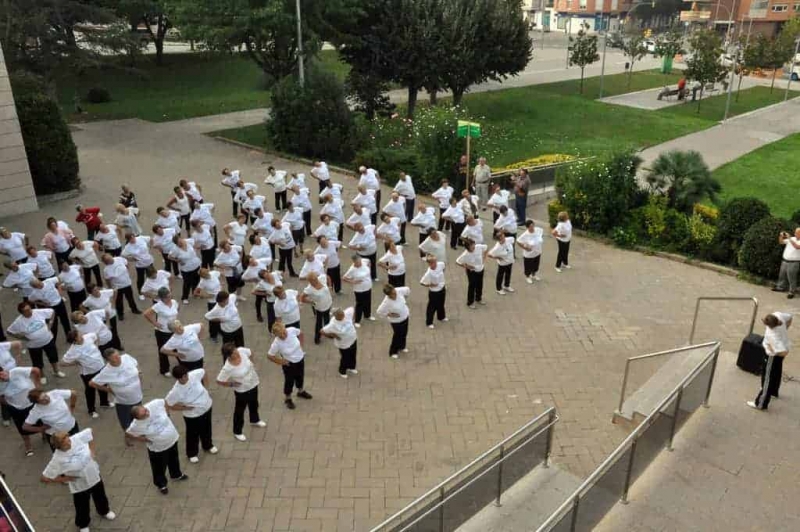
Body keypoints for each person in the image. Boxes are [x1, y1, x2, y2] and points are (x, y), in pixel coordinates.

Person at [41, 428, 117, 532]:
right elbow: (45, 478)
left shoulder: (75, 439)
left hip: (94, 476)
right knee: (82, 505)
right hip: (79, 485)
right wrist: (65, 478)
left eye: (69, 440)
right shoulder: (57, 459)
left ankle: (104, 511)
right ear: (59, 447)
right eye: (66, 443)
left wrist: (92, 450)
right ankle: (83, 524)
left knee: (100, 496)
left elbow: (90, 432)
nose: (70, 443)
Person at [125, 399, 189, 494]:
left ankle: (176, 474)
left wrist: (167, 413)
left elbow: (165, 401)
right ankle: (161, 484)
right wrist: (143, 439)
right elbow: (128, 434)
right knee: (159, 467)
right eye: (143, 415)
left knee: (174, 459)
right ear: (137, 418)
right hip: (158, 448)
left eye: (145, 410)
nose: (147, 414)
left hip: (172, 440)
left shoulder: (154, 404)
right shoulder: (136, 425)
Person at [165, 366, 217, 463]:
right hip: (193, 415)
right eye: (183, 377)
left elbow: (204, 372)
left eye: (186, 375)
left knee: (207, 427)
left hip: (207, 407)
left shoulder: (193, 375)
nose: (186, 378)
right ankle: (192, 453)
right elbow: (169, 404)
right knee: (193, 434)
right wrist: (185, 408)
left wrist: (206, 387)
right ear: (178, 378)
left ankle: (208, 445)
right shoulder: (176, 391)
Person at [216, 343, 266, 441]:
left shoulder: (241, 351)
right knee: (240, 410)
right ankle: (237, 431)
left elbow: (250, 352)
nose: (237, 353)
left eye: (236, 350)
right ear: (229, 356)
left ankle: (254, 419)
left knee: (254, 402)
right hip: (242, 390)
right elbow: (219, 380)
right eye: (234, 353)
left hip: (253, 383)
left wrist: (252, 362)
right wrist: (231, 384)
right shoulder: (228, 368)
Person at [89, 349, 143, 438]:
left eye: (118, 355)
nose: (119, 358)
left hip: (137, 397)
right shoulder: (106, 372)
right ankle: (129, 438)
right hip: (124, 403)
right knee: (126, 423)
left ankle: (139, 432)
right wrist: (108, 390)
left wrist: (139, 373)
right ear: (108, 360)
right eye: (115, 358)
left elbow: (136, 364)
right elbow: (92, 383)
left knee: (139, 417)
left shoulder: (126, 357)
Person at [7, 302, 64, 383]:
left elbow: (52, 311)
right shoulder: (19, 321)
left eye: (29, 308)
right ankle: (42, 375)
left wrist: (50, 324)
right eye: (26, 310)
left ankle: (56, 371)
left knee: (53, 357)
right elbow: (9, 331)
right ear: (22, 313)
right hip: (34, 345)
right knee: (37, 362)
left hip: (48, 340)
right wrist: (21, 337)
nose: (30, 311)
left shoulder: (37, 312)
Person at [748, 312, 793, 411]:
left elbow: (784, 352)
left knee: (767, 377)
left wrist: (773, 351)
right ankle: (773, 392)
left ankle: (760, 403)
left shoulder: (773, 335)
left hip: (771, 356)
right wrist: (786, 330)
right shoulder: (779, 315)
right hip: (781, 349)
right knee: (776, 373)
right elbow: (790, 317)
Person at [62, 331, 110, 419]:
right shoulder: (73, 350)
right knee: (90, 391)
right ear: (75, 340)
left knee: (103, 385)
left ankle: (104, 402)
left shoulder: (88, 337)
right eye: (79, 335)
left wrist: (97, 346)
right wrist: (76, 362)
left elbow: (96, 336)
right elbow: (63, 362)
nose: (81, 335)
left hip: (100, 367)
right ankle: (91, 410)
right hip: (88, 373)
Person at [267, 323, 313, 410]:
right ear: (276, 335)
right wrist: (281, 362)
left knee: (300, 376)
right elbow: (270, 355)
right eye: (281, 335)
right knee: (289, 381)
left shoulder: (291, 330)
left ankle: (300, 391)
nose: (284, 336)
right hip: (289, 364)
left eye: (284, 332)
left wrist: (301, 345)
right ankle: (288, 398)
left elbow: (300, 333)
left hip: (300, 358)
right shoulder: (276, 343)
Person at [0, 365, 41, 456]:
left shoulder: (16, 371)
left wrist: (37, 387)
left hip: (33, 403)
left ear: (4, 370)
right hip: (16, 409)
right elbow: (1, 398)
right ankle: (28, 445)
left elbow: (36, 370)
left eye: (1, 374)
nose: (1, 378)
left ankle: (45, 435)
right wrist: (10, 404)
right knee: (22, 427)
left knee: (41, 421)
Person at [143, 287, 181, 377]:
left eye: (169, 295)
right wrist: (155, 323)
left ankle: (182, 362)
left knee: (177, 346)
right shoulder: (158, 306)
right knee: (163, 350)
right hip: (163, 332)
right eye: (167, 297)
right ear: (162, 298)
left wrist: (175, 320)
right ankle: (164, 369)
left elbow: (177, 309)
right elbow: (146, 314)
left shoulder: (174, 302)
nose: (169, 298)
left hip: (174, 329)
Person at [320, 307, 358, 377]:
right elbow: (322, 331)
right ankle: (342, 371)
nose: (343, 317)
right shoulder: (332, 325)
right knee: (345, 357)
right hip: (344, 344)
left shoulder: (346, 314)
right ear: (336, 316)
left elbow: (353, 308)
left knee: (353, 354)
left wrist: (353, 320)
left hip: (353, 339)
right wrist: (332, 335)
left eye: (343, 314)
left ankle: (351, 367)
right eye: (341, 316)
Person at [82, 284, 121, 350]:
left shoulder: (104, 292)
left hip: (111, 315)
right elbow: (81, 306)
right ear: (91, 293)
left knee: (114, 331)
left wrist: (113, 303)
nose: (97, 291)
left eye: (97, 289)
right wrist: (89, 313)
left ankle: (117, 346)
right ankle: (109, 348)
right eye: (94, 290)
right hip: (101, 319)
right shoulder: (89, 300)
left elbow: (115, 291)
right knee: (105, 333)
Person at [376, 284, 411, 359]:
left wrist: (406, 297)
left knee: (404, 333)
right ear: (388, 295)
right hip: (396, 322)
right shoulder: (386, 302)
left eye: (394, 291)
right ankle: (393, 351)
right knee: (397, 336)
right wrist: (389, 314)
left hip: (405, 316)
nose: (395, 294)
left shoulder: (399, 291)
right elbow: (379, 311)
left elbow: (407, 289)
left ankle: (402, 346)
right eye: (392, 294)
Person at [101, 253, 140, 318]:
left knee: (130, 298)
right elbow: (107, 280)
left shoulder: (119, 259)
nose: (110, 259)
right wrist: (110, 288)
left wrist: (127, 272)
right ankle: (120, 314)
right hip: (117, 287)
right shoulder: (106, 270)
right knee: (118, 301)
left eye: (109, 257)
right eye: (107, 260)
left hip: (127, 283)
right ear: (105, 262)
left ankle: (134, 309)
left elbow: (127, 264)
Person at [299, 272, 333, 345]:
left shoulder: (321, 278)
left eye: (316, 279)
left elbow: (328, 277)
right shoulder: (309, 289)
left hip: (328, 304)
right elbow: (302, 297)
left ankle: (328, 333)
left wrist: (330, 287)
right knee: (319, 323)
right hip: (320, 308)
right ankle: (317, 338)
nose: (316, 281)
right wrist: (312, 302)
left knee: (327, 319)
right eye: (313, 280)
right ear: (310, 281)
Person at [343, 255, 374, 326]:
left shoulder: (364, 261)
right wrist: (352, 282)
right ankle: (357, 321)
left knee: (368, 301)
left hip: (368, 286)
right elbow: (344, 278)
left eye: (360, 261)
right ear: (354, 262)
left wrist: (369, 267)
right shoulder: (352, 269)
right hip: (359, 290)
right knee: (360, 304)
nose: (360, 263)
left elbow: (369, 261)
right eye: (358, 262)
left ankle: (367, 315)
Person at [456, 239, 488, 309]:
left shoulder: (478, 247)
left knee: (480, 284)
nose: (474, 247)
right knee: (472, 286)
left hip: (481, 269)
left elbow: (486, 247)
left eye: (474, 244)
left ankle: (478, 298)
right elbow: (458, 261)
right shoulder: (465, 254)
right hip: (472, 272)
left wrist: (484, 257)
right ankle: (470, 302)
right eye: (472, 246)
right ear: (468, 247)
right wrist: (467, 266)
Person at [169, 235, 201, 304]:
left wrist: (196, 247)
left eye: (180, 241)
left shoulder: (188, 241)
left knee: (196, 280)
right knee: (187, 283)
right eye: (178, 243)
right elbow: (170, 257)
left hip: (196, 264)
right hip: (186, 268)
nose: (180, 243)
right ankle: (185, 297)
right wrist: (178, 261)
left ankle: (194, 292)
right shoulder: (175, 249)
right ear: (176, 244)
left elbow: (195, 242)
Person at [121, 233, 154, 300]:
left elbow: (150, 239)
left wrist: (151, 247)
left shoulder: (141, 238)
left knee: (151, 276)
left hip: (149, 261)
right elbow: (123, 255)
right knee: (140, 279)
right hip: (140, 265)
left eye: (133, 238)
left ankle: (151, 288)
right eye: (131, 239)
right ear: (128, 240)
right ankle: (141, 293)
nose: (133, 240)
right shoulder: (128, 247)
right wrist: (131, 259)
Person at [420, 255, 447, 329]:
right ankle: (429, 322)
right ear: (429, 264)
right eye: (433, 262)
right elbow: (422, 282)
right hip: (434, 292)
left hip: (442, 288)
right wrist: (430, 285)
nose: (435, 263)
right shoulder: (429, 273)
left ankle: (441, 317)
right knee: (432, 307)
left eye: (435, 261)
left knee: (441, 303)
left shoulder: (440, 264)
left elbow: (444, 267)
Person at [195, 268, 221, 342]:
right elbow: (196, 293)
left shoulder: (213, 273)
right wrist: (205, 296)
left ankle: (219, 330)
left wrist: (222, 282)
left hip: (220, 299)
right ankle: (213, 335)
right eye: (204, 274)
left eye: (207, 272)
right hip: (212, 302)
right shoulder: (203, 282)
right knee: (212, 319)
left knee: (219, 315)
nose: (207, 274)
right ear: (202, 276)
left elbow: (221, 273)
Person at [773, 228, 800, 299]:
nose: (795, 234)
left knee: (792, 278)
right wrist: (781, 236)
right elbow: (781, 242)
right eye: (795, 232)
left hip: (794, 263)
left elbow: (797, 247)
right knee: (782, 275)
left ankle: (791, 292)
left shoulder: (792, 239)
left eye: (797, 233)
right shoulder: (792, 238)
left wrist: (789, 238)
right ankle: (780, 287)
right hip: (785, 260)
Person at [488, 231, 516, 295]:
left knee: (508, 274)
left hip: (510, 261)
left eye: (504, 236)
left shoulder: (508, 240)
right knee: (500, 276)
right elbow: (489, 254)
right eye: (502, 238)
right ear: (499, 239)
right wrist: (497, 257)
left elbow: (513, 240)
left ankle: (506, 286)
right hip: (503, 264)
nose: (504, 239)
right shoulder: (497, 247)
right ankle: (498, 289)